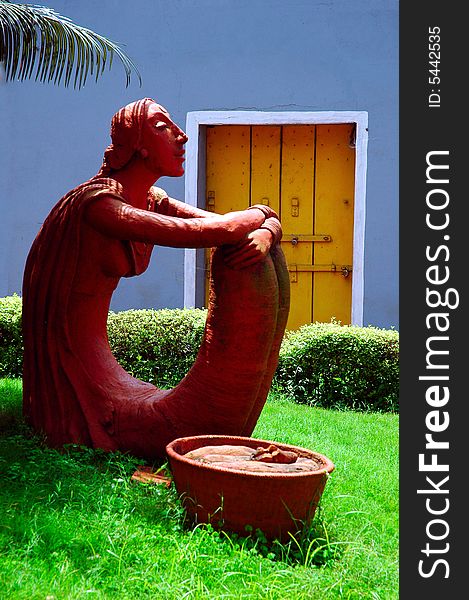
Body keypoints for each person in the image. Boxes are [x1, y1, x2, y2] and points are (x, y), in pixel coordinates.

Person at [22, 98, 290, 459]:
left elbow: (221, 224)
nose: (181, 137)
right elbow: (212, 230)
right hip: (76, 372)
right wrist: (261, 214)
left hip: (98, 361)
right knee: (239, 252)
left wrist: (268, 231)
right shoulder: (99, 206)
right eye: (163, 126)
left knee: (261, 259)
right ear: (138, 146)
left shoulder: (151, 199)